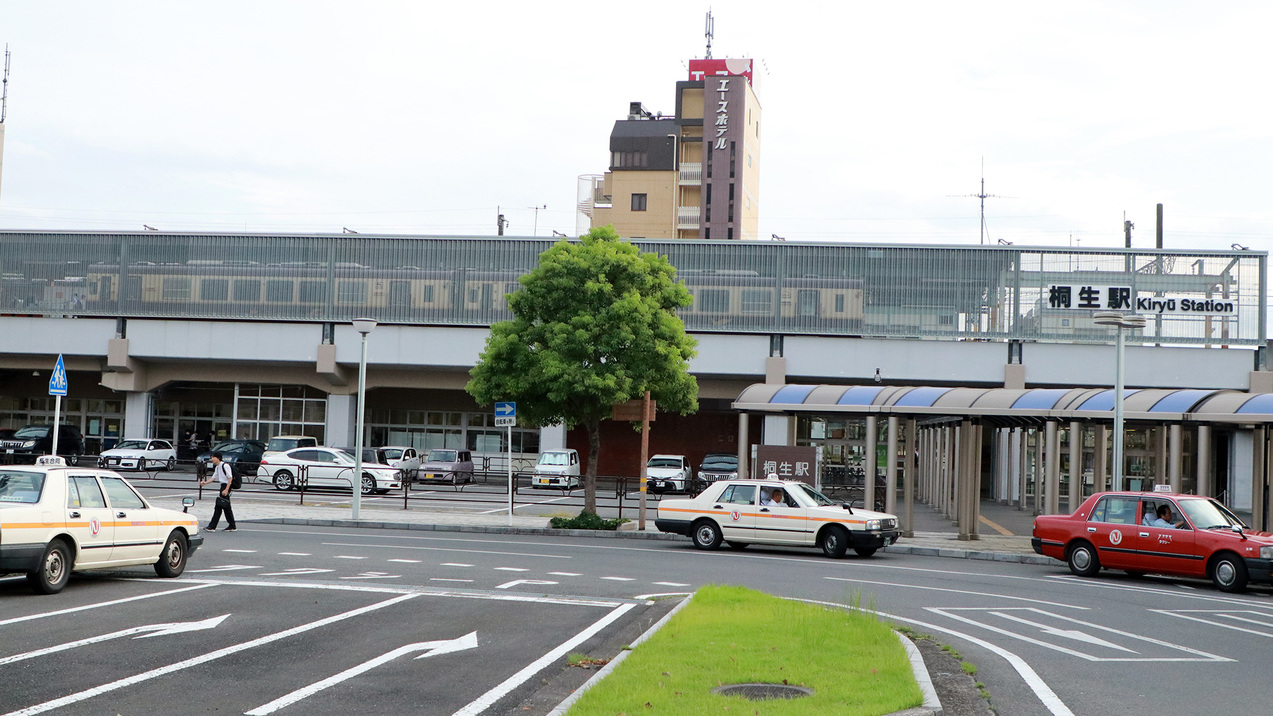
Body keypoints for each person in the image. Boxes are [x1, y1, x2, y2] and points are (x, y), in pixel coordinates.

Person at [200, 451, 236, 532]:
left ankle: (212, 526)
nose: (211, 459)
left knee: (218, 507)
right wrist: (205, 483)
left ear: (218, 458)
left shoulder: (225, 466)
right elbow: (213, 477)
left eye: (213, 457)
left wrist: (226, 489)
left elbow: (230, 478)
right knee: (226, 507)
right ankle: (232, 525)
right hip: (223, 486)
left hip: (226, 486)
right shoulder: (217, 467)